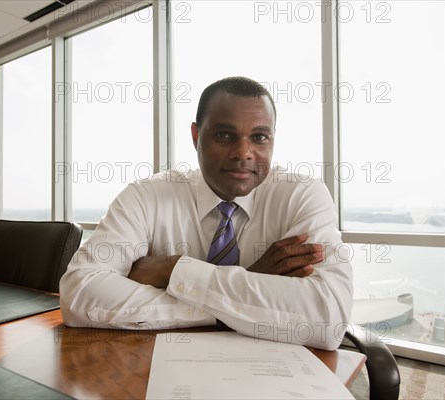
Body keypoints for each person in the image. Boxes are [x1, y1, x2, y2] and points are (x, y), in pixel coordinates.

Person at [60, 77, 352, 351]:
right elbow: (80, 292)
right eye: (224, 135)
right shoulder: (146, 195)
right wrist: (236, 299)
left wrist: (173, 270)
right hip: (159, 364)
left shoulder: (300, 194)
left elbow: (328, 319)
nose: (243, 152)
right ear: (196, 136)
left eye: (259, 137)